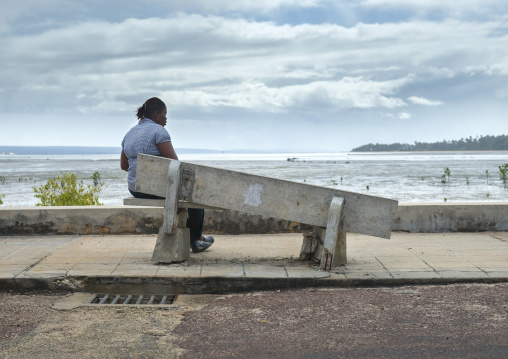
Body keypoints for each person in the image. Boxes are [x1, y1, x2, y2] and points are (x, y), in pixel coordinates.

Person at [121, 97, 213, 253]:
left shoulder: (129, 134)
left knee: (182, 197)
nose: (166, 118)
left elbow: (124, 166)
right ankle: (197, 239)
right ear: (156, 115)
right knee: (195, 196)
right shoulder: (159, 131)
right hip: (154, 189)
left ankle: (196, 238)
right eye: (165, 114)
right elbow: (175, 164)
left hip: (135, 188)